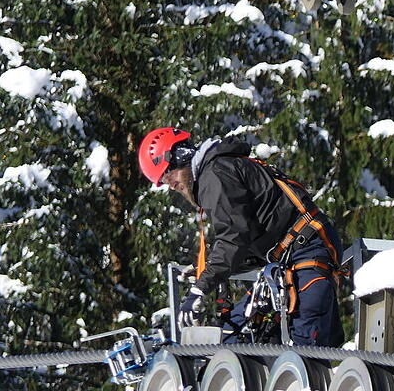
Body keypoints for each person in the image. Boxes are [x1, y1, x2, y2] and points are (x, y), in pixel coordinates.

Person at [138, 127, 344, 347]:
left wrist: (202, 286)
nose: (170, 183)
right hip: (287, 259)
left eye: (168, 174)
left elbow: (233, 237)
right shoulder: (217, 172)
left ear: (181, 156)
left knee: (307, 349)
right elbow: (243, 242)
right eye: (163, 180)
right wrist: (210, 271)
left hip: (307, 249)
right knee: (235, 337)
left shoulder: (215, 174)